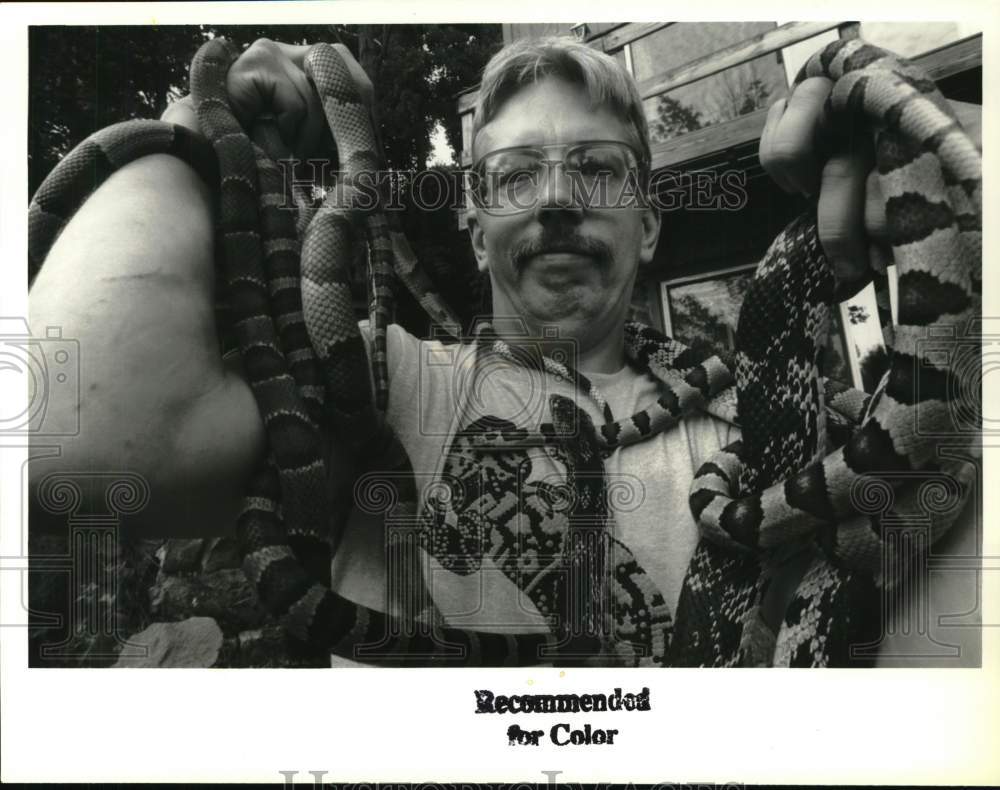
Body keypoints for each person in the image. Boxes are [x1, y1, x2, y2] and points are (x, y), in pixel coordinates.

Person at [28, 35, 979, 666]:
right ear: (477, 231)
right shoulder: (386, 385)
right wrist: (206, 119)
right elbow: (77, 436)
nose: (559, 200)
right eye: (517, 174)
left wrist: (873, 159)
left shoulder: (776, 420)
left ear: (651, 224)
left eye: (599, 170)